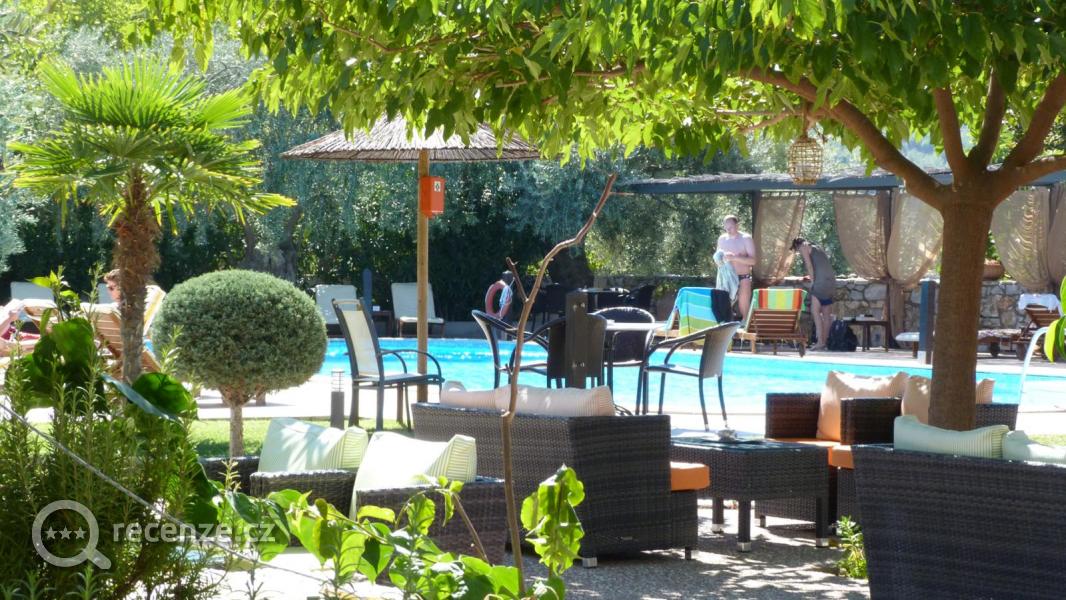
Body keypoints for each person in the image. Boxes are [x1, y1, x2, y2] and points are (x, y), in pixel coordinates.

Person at [792, 238, 837, 350]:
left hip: (820, 283)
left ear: (797, 246)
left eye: (797, 250)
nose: (799, 252)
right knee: (826, 315)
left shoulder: (804, 247)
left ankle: (820, 342)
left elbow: (809, 266)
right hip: (831, 282)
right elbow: (822, 265)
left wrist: (812, 281)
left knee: (815, 311)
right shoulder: (818, 247)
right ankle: (825, 342)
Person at [716, 215, 756, 319]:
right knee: (723, 307)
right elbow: (717, 258)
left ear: (737, 225)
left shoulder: (746, 239)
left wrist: (734, 258)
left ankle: (746, 325)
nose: (728, 230)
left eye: (731, 227)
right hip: (726, 279)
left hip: (743, 277)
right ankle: (727, 327)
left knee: (744, 307)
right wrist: (719, 259)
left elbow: (753, 261)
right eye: (726, 227)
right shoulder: (722, 239)